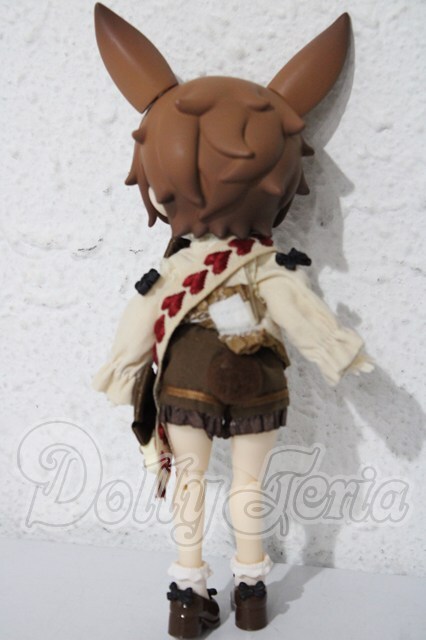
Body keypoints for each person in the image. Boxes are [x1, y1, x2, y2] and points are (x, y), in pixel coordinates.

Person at [93, 5, 372, 636]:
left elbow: (139, 323)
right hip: (257, 379)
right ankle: (251, 593)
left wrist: (121, 374)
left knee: (189, 483)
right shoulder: (265, 263)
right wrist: (339, 351)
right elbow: (300, 311)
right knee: (250, 484)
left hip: (186, 379)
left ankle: (187, 598)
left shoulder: (175, 269)